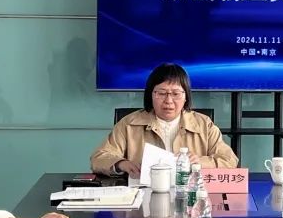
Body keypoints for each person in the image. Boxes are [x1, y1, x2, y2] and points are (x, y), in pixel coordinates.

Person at [90, 63, 237, 177]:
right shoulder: (129, 124)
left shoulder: (203, 124)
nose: (168, 101)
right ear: (151, 95)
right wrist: (121, 164)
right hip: (142, 194)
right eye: (161, 93)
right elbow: (98, 158)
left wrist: (199, 162)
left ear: (186, 97)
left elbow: (229, 160)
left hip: (189, 194)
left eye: (176, 94)